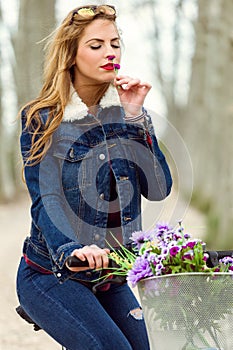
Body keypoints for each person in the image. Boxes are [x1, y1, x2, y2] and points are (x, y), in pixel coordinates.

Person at [16, 4, 172, 350]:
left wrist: (135, 120)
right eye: (96, 45)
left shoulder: (124, 113)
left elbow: (159, 189)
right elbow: (47, 198)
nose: (110, 52)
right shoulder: (41, 119)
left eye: (115, 43)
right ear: (71, 54)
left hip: (109, 277)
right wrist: (73, 249)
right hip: (51, 273)